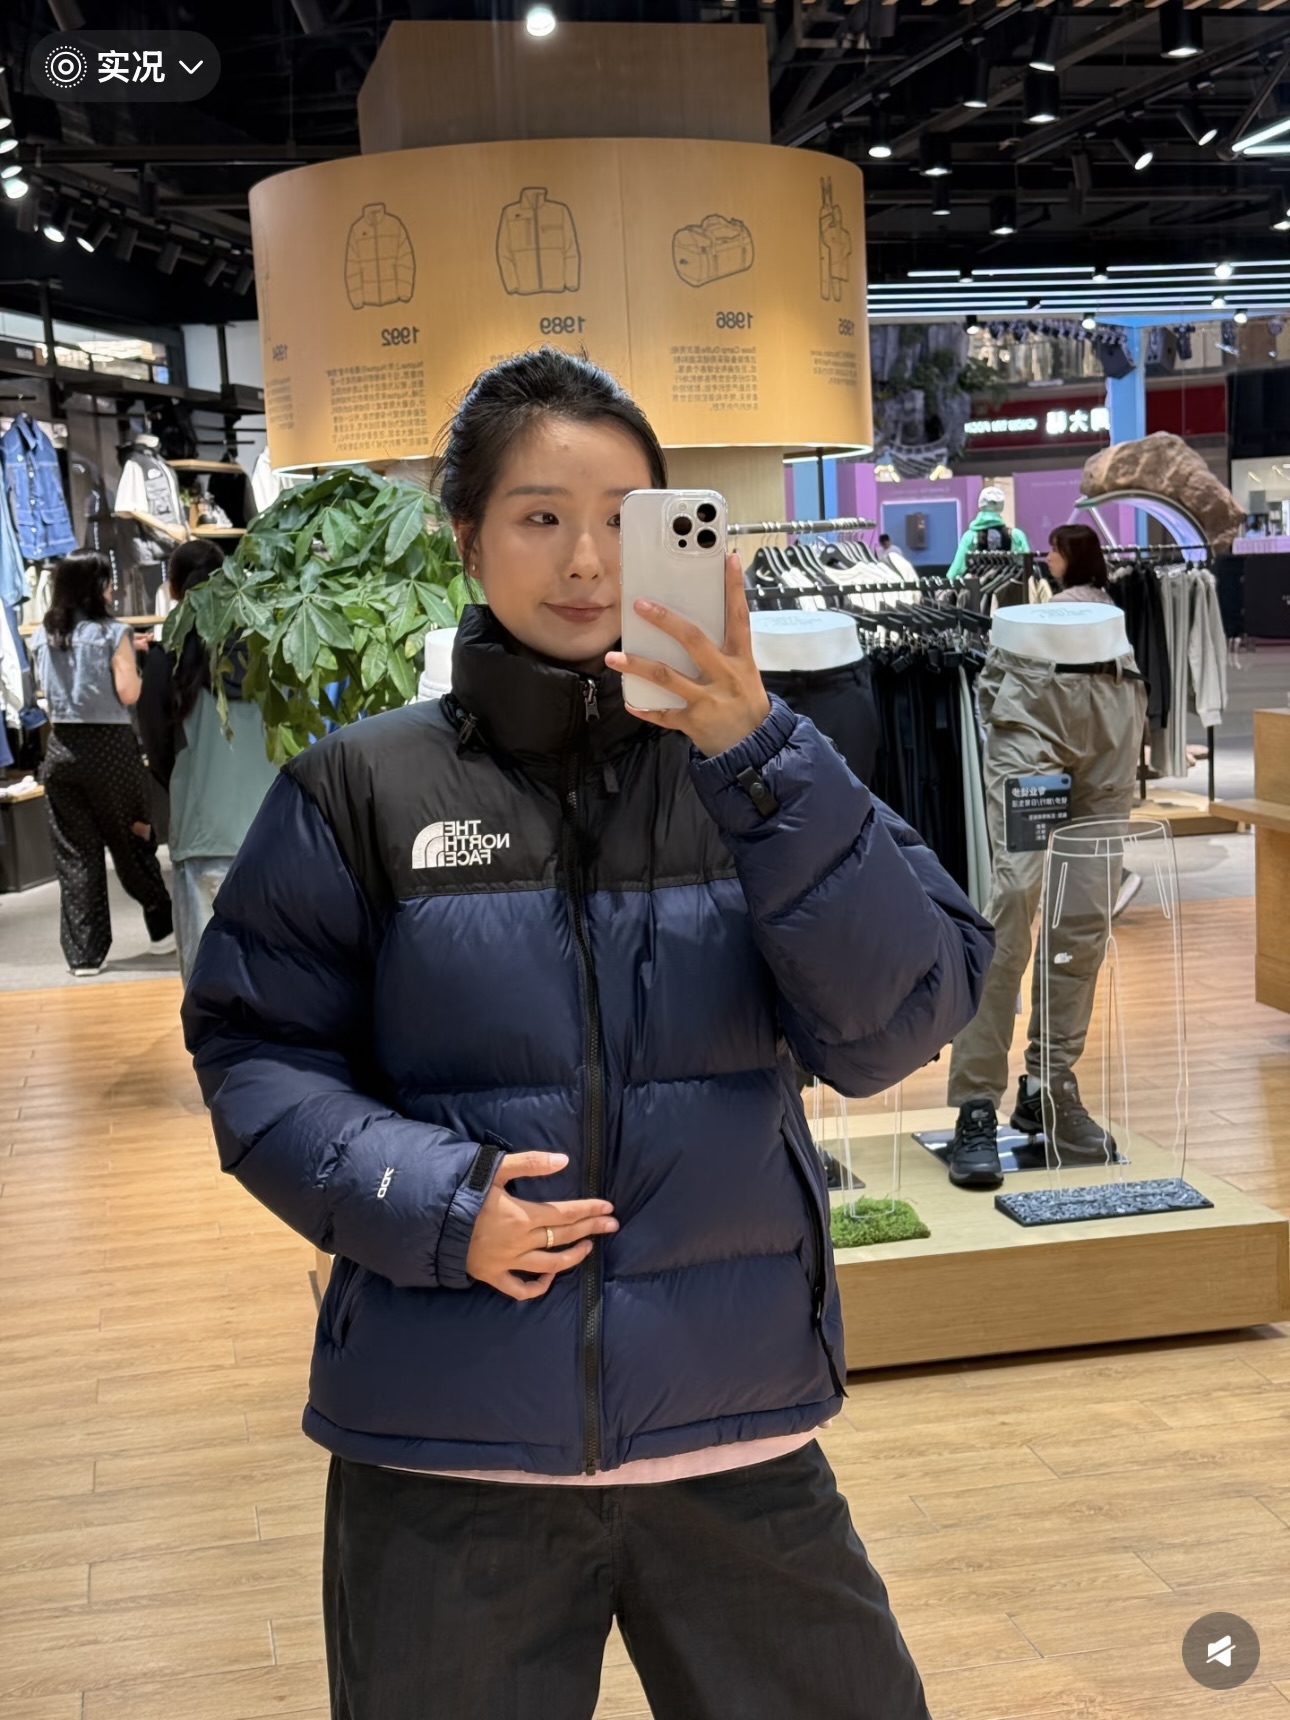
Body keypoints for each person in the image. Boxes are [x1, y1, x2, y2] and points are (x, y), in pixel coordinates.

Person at [183, 350, 993, 1720]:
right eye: (540, 516)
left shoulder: (766, 768)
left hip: (731, 1427)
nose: (586, 561)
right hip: (445, 1444)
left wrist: (757, 757)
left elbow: (895, 1022)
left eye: (628, 519)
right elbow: (256, 1054)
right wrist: (437, 1205)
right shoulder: (357, 789)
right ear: (467, 537)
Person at [945, 523, 1147, 1188]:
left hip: (1115, 686)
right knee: (1013, 898)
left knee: (1085, 913)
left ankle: (1049, 1087)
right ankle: (976, 1102)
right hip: (1031, 692)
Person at [136, 540, 279, 984]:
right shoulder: (267, 640)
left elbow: (156, 742)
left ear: (174, 589)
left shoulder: (168, 654)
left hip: (201, 832)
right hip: (270, 831)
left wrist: (184, 779)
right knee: (271, 974)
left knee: (206, 978)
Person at [29, 550, 174, 977]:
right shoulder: (114, 632)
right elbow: (129, 692)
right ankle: (161, 930)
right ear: (97, 587)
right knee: (133, 837)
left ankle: (85, 955)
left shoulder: (43, 634)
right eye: (107, 581)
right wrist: (135, 659)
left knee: (75, 853)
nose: (112, 589)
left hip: (62, 749)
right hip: (111, 748)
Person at [946, 483, 1031, 581]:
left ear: (980, 504)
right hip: (1012, 587)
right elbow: (1027, 567)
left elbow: (956, 570)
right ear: (1001, 506)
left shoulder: (970, 537)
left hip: (978, 588)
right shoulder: (1016, 535)